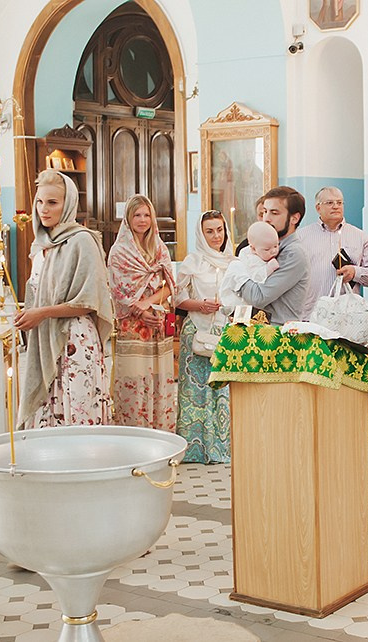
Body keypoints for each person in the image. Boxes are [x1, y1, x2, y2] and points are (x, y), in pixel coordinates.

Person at [16, 169, 114, 430]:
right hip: (46, 337)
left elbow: (89, 300)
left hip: (75, 340)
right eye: (39, 201)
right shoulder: (41, 246)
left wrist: (42, 313)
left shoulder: (82, 240)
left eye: (52, 202)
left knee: (78, 413)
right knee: (49, 414)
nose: (43, 209)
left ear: (68, 204)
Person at [107, 194, 176, 431]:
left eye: (147, 215)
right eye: (137, 215)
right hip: (133, 325)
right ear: (128, 218)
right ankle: (134, 431)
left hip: (157, 319)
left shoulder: (159, 247)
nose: (143, 220)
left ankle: (162, 430)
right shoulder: (119, 252)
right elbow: (118, 291)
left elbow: (170, 285)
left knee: (160, 376)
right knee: (135, 378)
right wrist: (139, 311)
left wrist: (149, 303)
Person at [175, 210, 234, 463]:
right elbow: (176, 298)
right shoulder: (193, 261)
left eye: (219, 230)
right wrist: (200, 305)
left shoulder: (234, 262)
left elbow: (243, 297)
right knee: (195, 392)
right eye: (209, 231)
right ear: (201, 233)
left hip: (224, 331)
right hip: (197, 332)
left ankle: (220, 448)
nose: (216, 236)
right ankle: (194, 449)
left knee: (220, 390)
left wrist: (226, 306)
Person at [294, 186, 368, 318]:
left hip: (347, 319)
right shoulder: (301, 237)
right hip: (311, 315)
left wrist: (355, 272)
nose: (335, 206)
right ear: (318, 208)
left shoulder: (360, 237)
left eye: (339, 203)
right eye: (329, 203)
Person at [233, 186, 310, 324]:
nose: (266, 219)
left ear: (294, 218)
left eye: (274, 213)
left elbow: (258, 297)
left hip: (279, 336)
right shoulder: (264, 246)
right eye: (265, 212)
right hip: (258, 332)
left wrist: (236, 272)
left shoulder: (293, 253)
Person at [220, 221, 280, 313]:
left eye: (276, 246)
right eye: (267, 249)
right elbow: (254, 279)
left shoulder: (265, 253)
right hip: (238, 300)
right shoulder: (250, 259)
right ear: (253, 249)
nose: (273, 251)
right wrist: (268, 269)